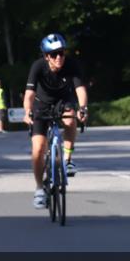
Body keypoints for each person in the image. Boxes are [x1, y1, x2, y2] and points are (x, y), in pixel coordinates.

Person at [23, 33, 89, 210]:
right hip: (41, 105)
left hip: (63, 101)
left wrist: (83, 108)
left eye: (61, 53)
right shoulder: (38, 66)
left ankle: (67, 159)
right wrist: (28, 111)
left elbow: (80, 89)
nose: (59, 57)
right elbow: (29, 94)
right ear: (46, 56)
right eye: (54, 54)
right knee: (38, 149)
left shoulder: (72, 65)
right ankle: (39, 189)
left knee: (71, 117)